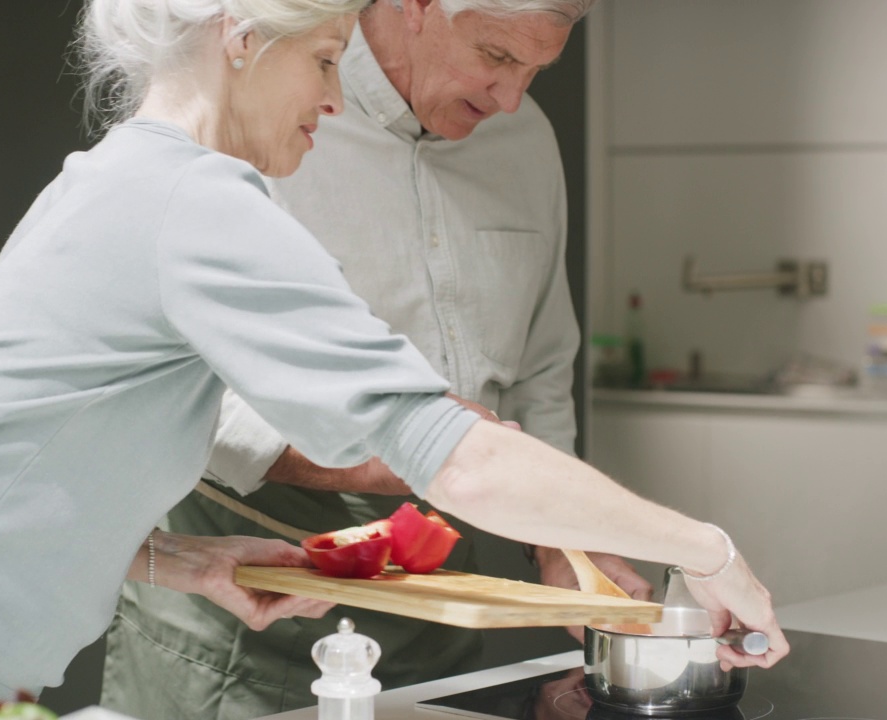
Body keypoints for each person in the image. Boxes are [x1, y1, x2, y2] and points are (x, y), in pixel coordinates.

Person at [0, 0, 788, 715]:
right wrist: (701, 547)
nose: (334, 97)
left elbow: (10, 456)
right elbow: (446, 451)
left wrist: (182, 562)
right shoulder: (196, 199)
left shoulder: (114, 176)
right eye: (323, 61)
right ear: (241, 40)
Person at [96, 1, 708, 719]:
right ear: (417, 7)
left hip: (440, 590)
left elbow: (542, 370)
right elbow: (178, 385)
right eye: (498, 58)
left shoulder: (524, 140)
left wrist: (560, 541)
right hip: (242, 591)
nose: (512, 99)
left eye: (538, 71)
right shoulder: (257, 114)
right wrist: (399, 460)